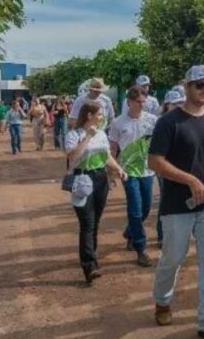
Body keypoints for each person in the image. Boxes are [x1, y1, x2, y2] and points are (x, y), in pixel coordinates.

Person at [149, 65, 204, 339]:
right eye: (200, 85)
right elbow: (156, 161)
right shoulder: (169, 122)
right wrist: (189, 180)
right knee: (173, 257)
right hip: (177, 204)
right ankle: (162, 301)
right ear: (187, 87)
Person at [65, 101, 127, 284]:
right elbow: (72, 156)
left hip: (100, 179)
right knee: (87, 223)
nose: (102, 118)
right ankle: (89, 265)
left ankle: (91, 255)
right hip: (82, 179)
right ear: (89, 115)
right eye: (99, 114)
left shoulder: (102, 134)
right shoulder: (73, 134)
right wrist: (86, 138)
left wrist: (118, 169)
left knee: (96, 221)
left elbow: (106, 156)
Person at [109, 85, 157, 268]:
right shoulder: (118, 123)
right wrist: (112, 172)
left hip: (147, 170)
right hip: (128, 172)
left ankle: (130, 231)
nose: (141, 105)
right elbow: (113, 149)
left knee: (146, 207)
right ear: (129, 102)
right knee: (135, 209)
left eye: (143, 102)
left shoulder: (152, 121)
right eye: (138, 102)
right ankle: (141, 248)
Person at [154, 88, 187, 248]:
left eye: (181, 102)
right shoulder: (161, 123)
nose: (179, 106)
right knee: (166, 199)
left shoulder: (185, 121)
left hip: (182, 167)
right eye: (175, 104)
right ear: (167, 105)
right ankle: (162, 235)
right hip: (165, 168)